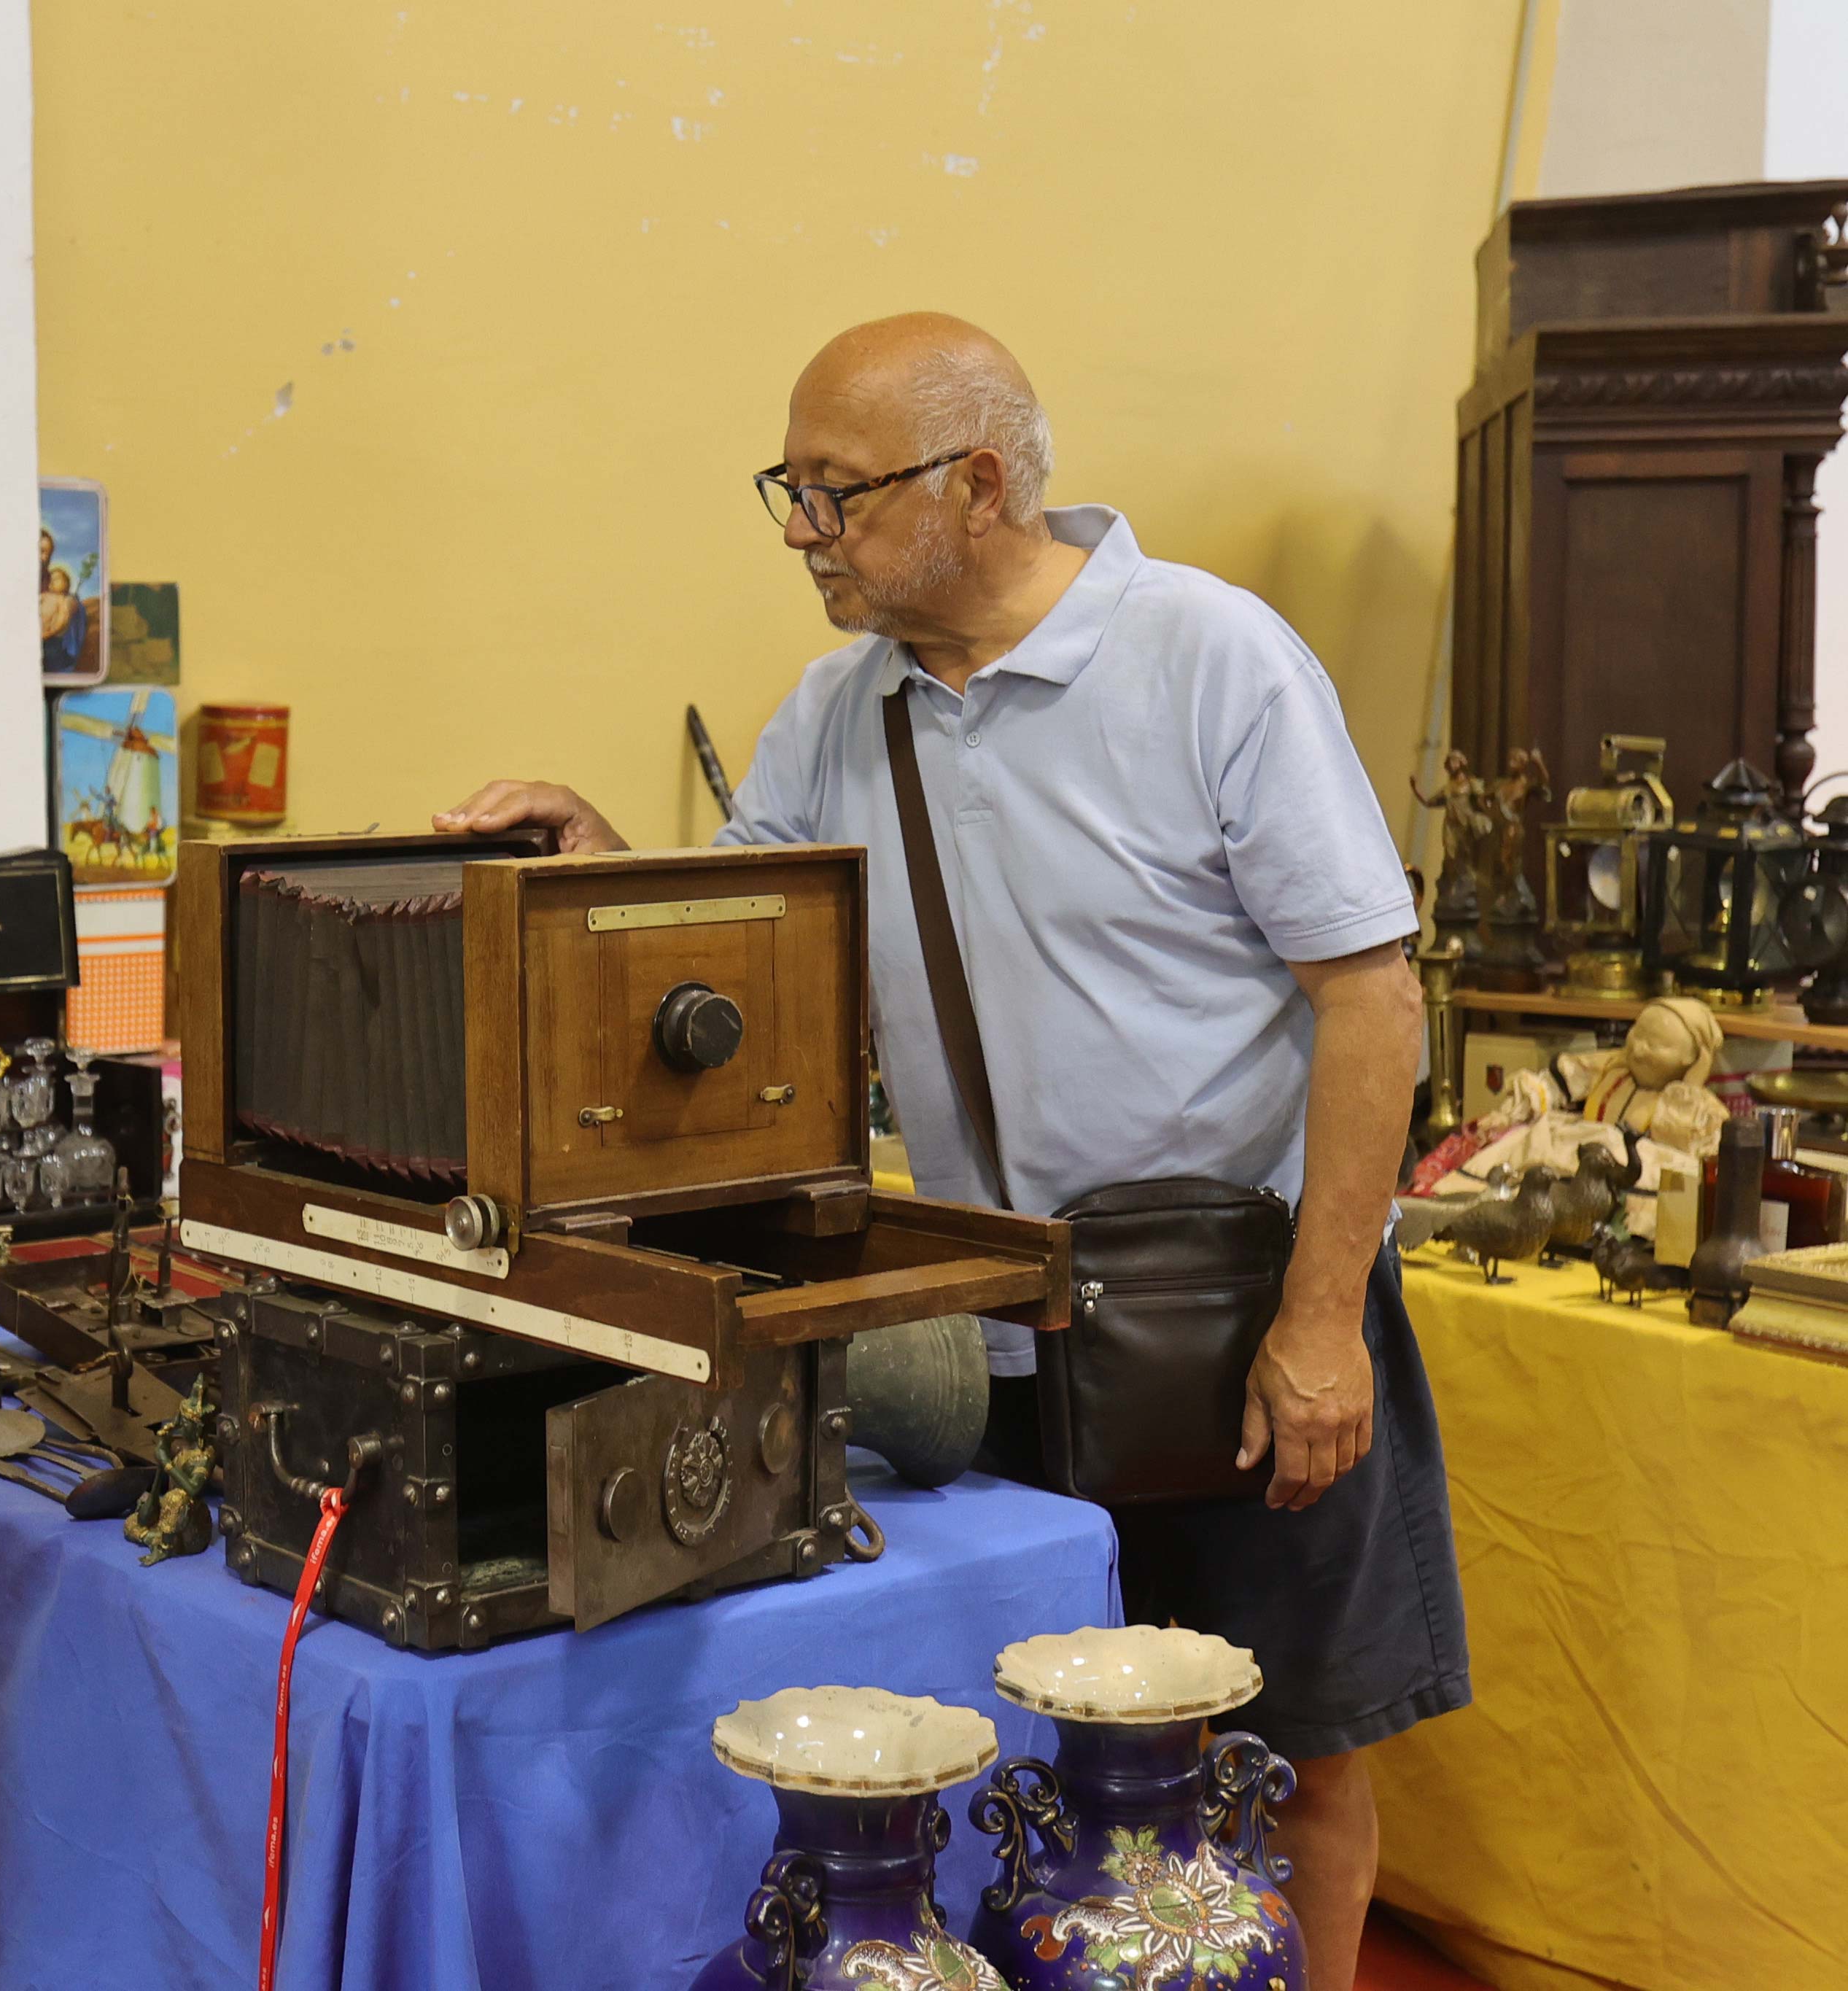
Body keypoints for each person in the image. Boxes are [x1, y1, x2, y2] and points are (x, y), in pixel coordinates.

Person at [437, 313, 1464, 1991]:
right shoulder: (843, 711)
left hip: (1242, 1319)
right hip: (1001, 1328)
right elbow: (745, 964)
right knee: (1048, 1746)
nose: (797, 532)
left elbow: (1370, 999)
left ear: (978, 483)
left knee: (1288, 1744)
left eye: (831, 492)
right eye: (790, 489)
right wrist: (602, 861)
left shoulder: (1212, 655)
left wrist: (1319, 1318)